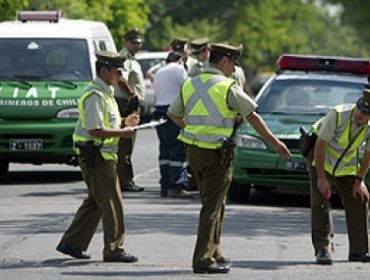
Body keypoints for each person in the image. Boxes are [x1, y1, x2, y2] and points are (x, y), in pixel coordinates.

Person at [167, 43, 291, 274]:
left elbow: (173, 114)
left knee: (216, 203)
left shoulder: (190, 83)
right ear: (223, 60)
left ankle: (215, 251)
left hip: (194, 152)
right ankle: (203, 259)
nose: (234, 67)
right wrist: (276, 144)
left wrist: (192, 129)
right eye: (233, 62)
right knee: (212, 208)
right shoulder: (227, 86)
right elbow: (252, 116)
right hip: (217, 154)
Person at [56, 50, 139, 262]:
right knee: (112, 203)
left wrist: (123, 123)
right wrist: (123, 132)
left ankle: (72, 243)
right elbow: (95, 129)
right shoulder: (95, 95)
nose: (120, 76)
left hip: (101, 155)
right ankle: (114, 250)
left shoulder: (105, 93)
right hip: (96, 156)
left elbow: (106, 124)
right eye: (117, 71)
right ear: (104, 70)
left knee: (96, 200)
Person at [308, 85, 370, 265]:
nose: (360, 114)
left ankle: (359, 251)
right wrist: (321, 178)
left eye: (366, 113)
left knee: (359, 197)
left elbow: (368, 154)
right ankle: (322, 250)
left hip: (344, 163)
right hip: (320, 156)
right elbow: (320, 145)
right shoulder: (338, 114)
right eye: (360, 108)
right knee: (320, 201)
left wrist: (359, 180)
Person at [152, 51, 192, 199]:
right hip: (173, 112)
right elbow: (187, 90)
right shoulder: (180, 70)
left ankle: (165, 185)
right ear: (180, 60)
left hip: (159, 111)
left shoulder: (159, 72)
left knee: (165, 151)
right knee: (178, 150)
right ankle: (176, 186)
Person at [115, 28, 145, 192]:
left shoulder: (132, 59)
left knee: (127, 144)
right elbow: (120, 78)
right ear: (126, 42)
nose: (136, 46)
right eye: (133, 42)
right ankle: (125, 181)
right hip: (126, 103)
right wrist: (132, 95)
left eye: (139, 43)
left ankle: (124, 179)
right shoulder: (125, 58)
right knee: (125, 144)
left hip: (129, 103)